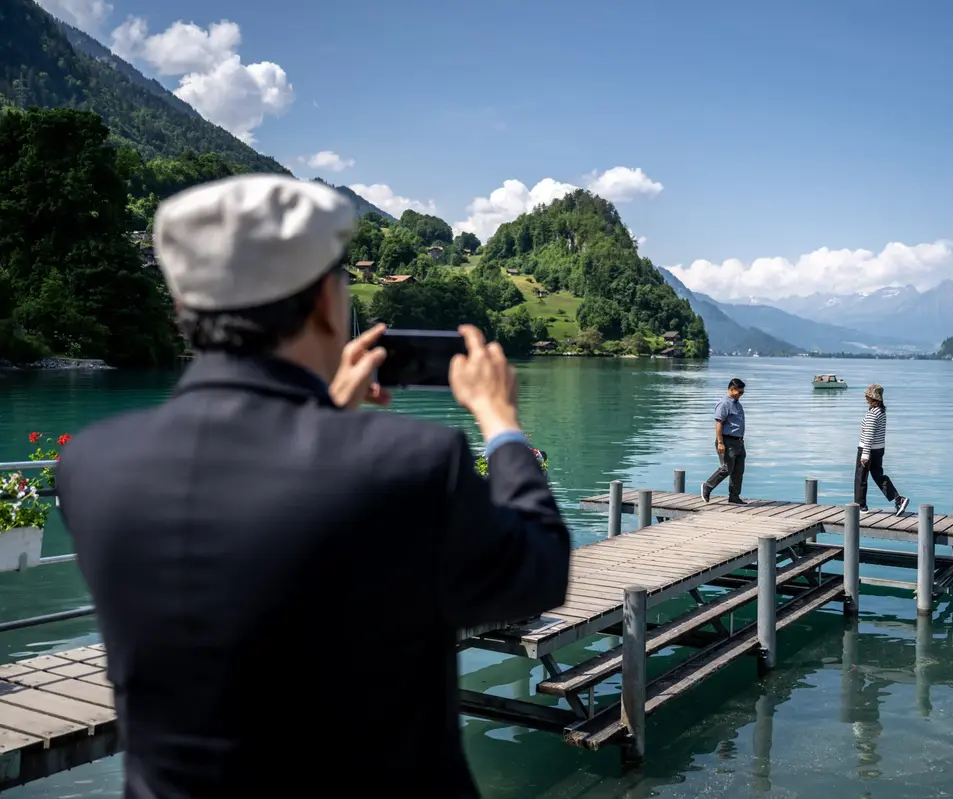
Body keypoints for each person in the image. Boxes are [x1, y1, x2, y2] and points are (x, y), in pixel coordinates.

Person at [55, 175, 571, 799]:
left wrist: (326, 417)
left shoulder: (92, 465)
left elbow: (265, 530)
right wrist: (500, 423)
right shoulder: (417, 463)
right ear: (328, 304)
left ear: (184, 309)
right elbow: (539, 571)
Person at [855, 383, 910, 516]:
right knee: (878, 476)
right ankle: (898, 499)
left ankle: (860, 506)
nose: (865, 397)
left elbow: (869, 435)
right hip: (879, 449)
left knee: (860, 477)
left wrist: (865, 455)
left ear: (872, 397)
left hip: (867, 449)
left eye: (867, 395)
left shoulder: (873, 413)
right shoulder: (881, 411)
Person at [702, 377, 747, 504]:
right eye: (740, 392)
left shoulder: (737, 404)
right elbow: (718, 424)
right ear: (732, 390)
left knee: (738, 470)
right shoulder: (724, 404)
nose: (741, 395)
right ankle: (707, 486)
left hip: (739, 442)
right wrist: (720, 442)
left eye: (742, 392)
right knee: (726, 468)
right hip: (727, 441)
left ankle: (734, 497)